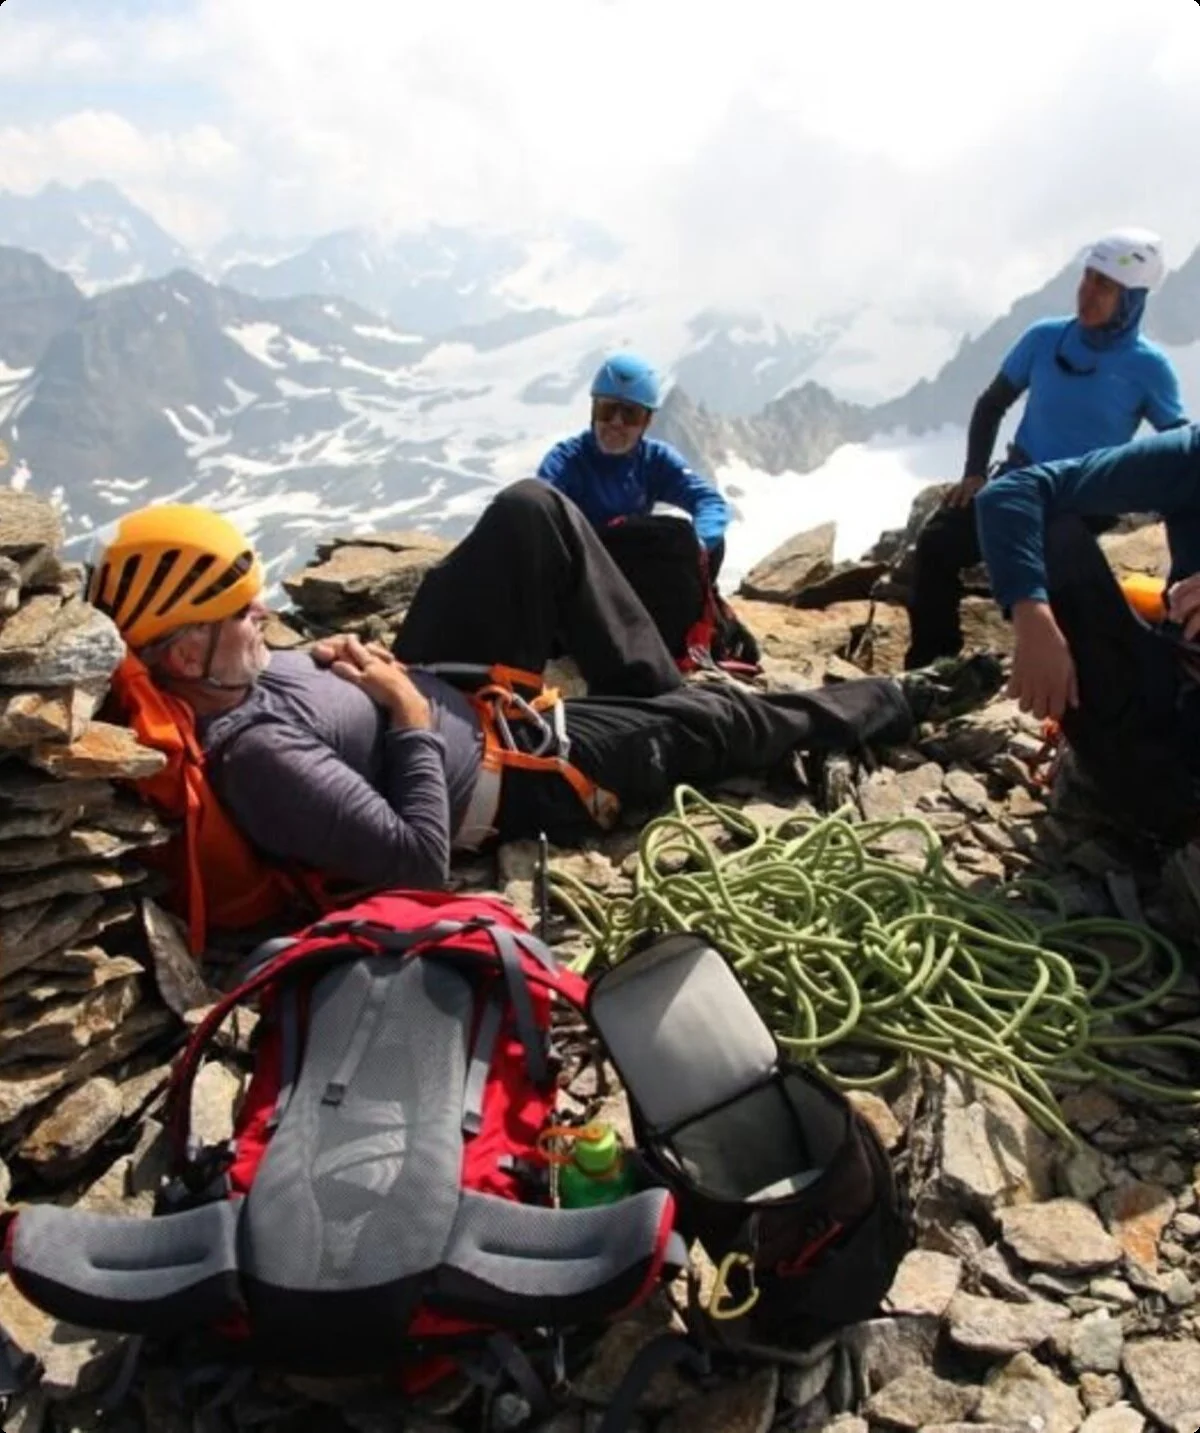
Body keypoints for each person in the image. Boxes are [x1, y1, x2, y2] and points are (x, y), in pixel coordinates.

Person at [88, 485, 1002, 918]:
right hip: (506, 769)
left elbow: (293, 679)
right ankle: (898, 700)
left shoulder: (231, 671)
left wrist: (329, 656)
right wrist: (405, 712)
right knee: (721, 725)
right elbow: (415, 863)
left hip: (442, 687)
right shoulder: (257, 757)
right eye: (238, 610)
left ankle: (665, 697)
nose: (262, 610)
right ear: (181, 650)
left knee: (534, 513)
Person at [905, 228, 1187, 671]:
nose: (1088, 293)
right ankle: (931, 666)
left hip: (1083, 499)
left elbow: (1179, 451)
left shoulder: (1149, 368)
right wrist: (975, 474)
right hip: (1019, 481)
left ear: (1131, 300)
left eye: (1105, 286)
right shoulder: (1044, 337)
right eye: (1088, 278)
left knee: (1053, 577)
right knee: (939, 543)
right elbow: (992, 403)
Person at [974, 422, 1200, 843]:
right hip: (1163, 719)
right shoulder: (1192, 455)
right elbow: (1014, 491)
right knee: (1055, 532)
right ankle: (1150, 807)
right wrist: (1033, 617)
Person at [538, 353, 750, 663]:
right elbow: (542, 515)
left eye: (630, 415)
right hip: (583, 576)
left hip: (631, 576)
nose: (616, 424)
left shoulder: (654, 460)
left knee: (702, 545)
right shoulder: (566, 460)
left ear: (647, 421)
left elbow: (710, 503)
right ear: (593, 410)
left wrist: (700, 545)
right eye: (608, 410)